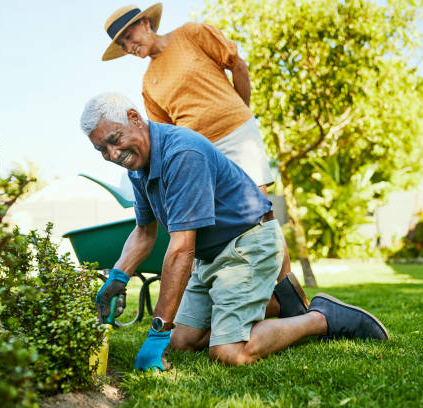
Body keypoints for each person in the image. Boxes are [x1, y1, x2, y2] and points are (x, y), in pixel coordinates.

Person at [80, 93, 390, 370]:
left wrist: (157, 330)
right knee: (182, 341)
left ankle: (322, 318)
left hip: (248, 243)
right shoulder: (139, 168)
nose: (113, 154)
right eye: (101, 149)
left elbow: (181, 249)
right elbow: (144, 233)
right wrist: (117, 277)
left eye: (115, 139)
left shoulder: (181, 153)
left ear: (135, 118)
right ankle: (279, 303)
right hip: (212, 256)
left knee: (230, 352)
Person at [100, 4, 296, 312]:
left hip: (237, 134)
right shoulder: (148, 82)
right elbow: (164, 133)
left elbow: (238, 66)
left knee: (260, 214)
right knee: (211, 224)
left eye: (128, 35)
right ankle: (241, 297)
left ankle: (292, 298)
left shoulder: (191, 33)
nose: (128, 46)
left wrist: (240, 114)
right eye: (122, 44)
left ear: (146, 23)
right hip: (200, 154)